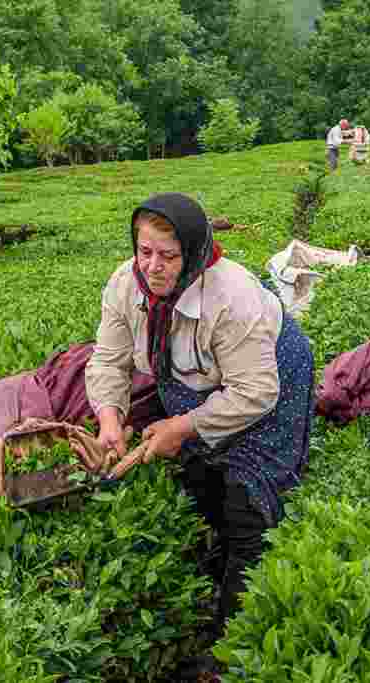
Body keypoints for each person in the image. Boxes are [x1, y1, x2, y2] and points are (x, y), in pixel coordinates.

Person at [85, 192, 316, 680]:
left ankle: (228, 642)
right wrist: (109, 421)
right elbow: (110, 358)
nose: (153, 266)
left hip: (269, 376)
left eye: (167, 256)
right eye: (144, 251)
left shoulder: (230, 297)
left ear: (191, 253)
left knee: (244, 500)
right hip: (196, 378)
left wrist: (182, 426)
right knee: (199, 477)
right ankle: (210, 573)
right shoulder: (124, 284)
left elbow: (255, 392)